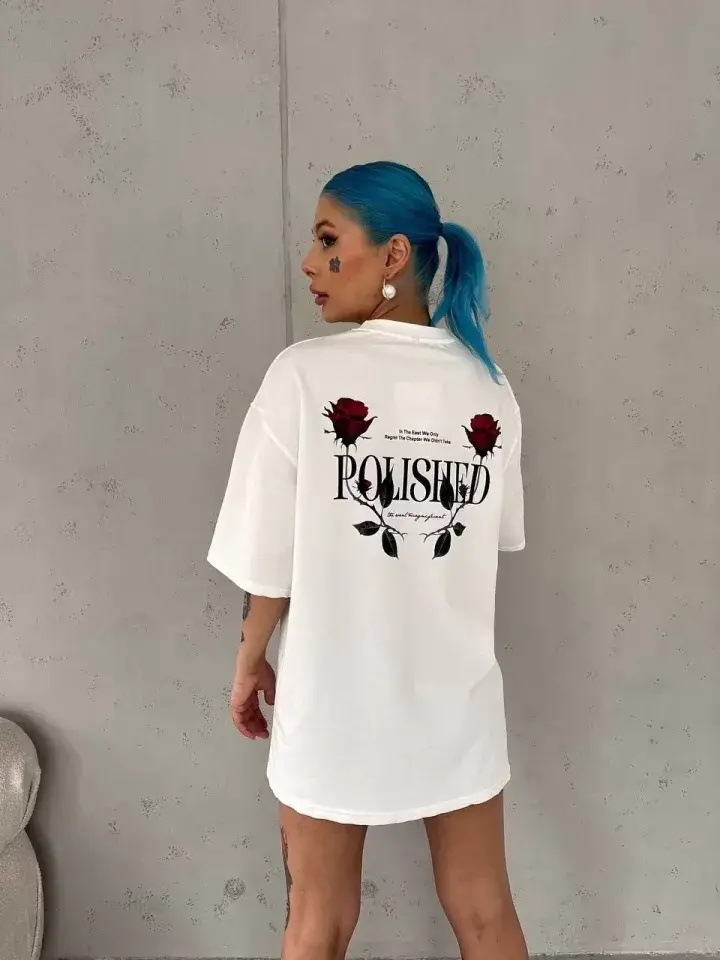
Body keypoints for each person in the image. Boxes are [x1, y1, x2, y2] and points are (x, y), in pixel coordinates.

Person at [207, 161, 527, 960]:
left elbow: (269, 565)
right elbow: (483, 543)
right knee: (485, 914)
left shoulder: (303, 376)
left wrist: (249, 664)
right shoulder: (490, 389)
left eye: (328, 241)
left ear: (393, 254)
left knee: (317, 922)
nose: (309, 263)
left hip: (332, 702)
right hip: (455, 699)